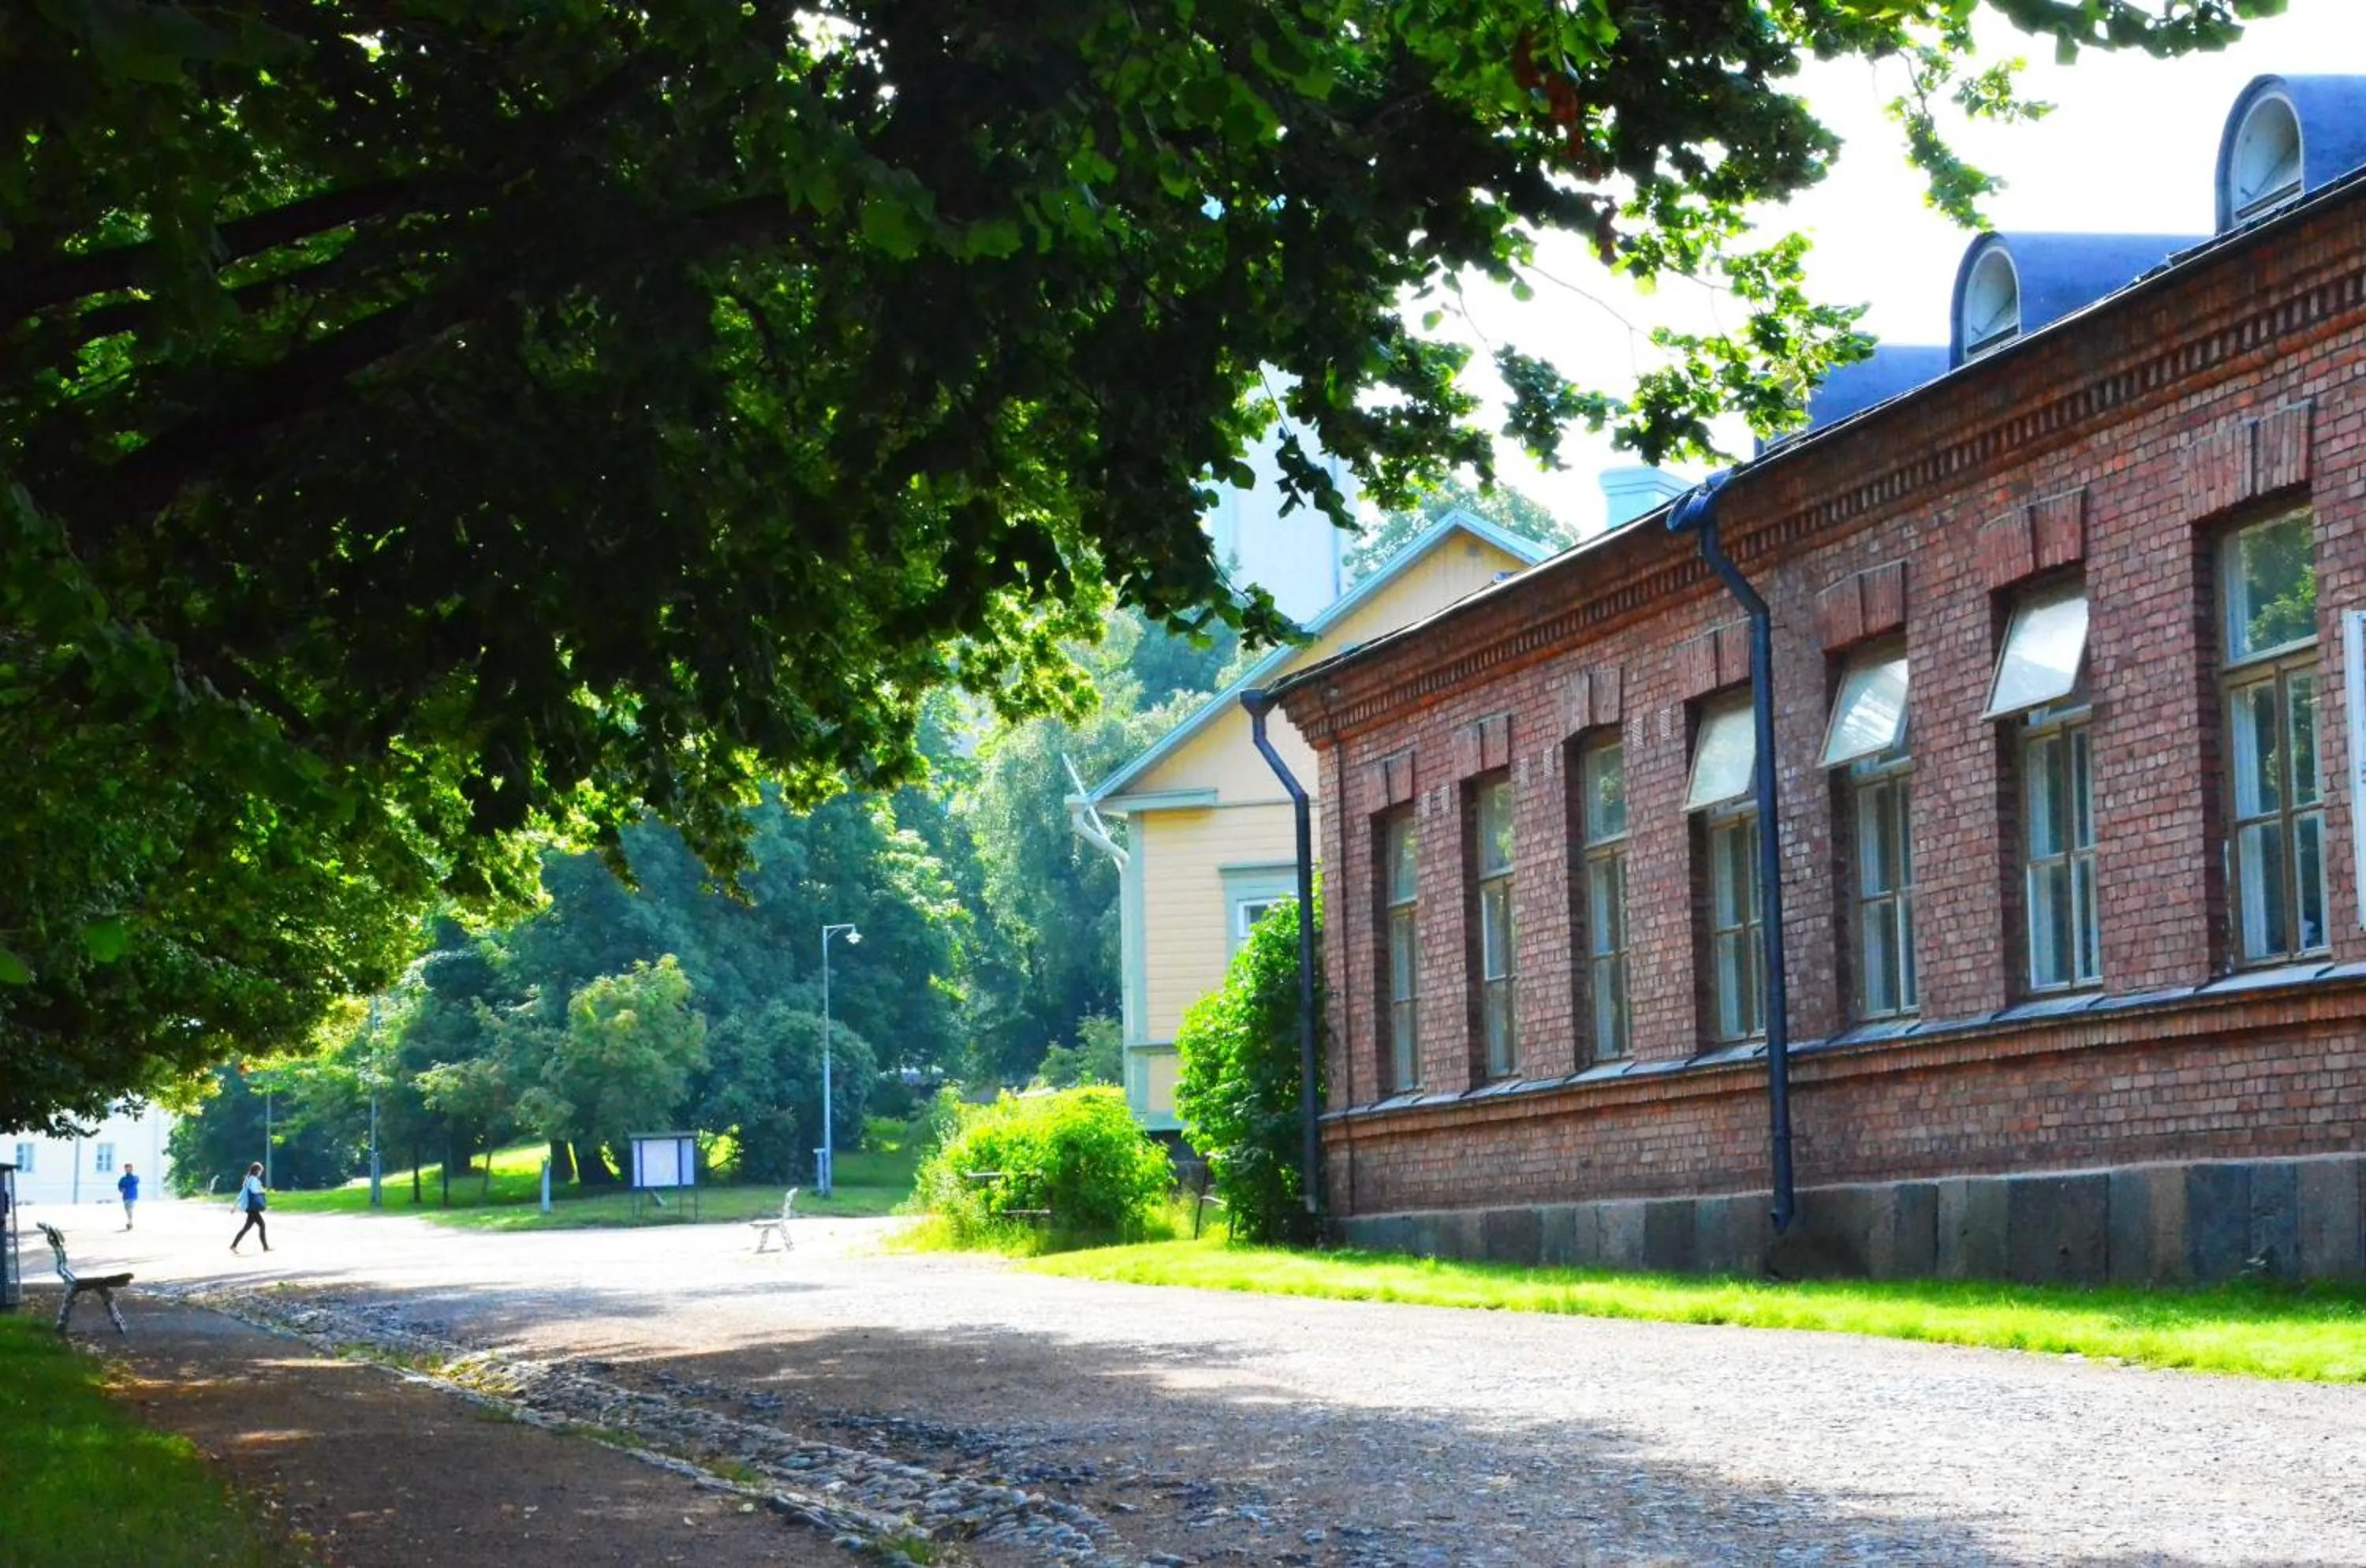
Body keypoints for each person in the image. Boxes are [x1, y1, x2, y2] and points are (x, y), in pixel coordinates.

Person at [230, 1161, 269, 1253]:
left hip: (249, 1207)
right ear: (257, 1171)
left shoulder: (248, 1179)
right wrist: (262, 1191)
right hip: (253, 1207)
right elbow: (254, 1191)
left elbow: (242, 1194)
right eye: (260, 1171)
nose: (261, 1173)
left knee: (247, 1227)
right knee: (262, 1225)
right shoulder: (254, 1180)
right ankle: (265, 1247)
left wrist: (235, 1206)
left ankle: (234, 1245)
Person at [117, 1162, 139, 1230]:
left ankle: (130, 1223)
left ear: (132, 1169)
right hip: (125, 1196)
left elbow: (133, 1182)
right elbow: (120, 1186)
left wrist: (125, 1186)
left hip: (132, 1196)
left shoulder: (135, 1178)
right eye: (126, 1169)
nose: (127, 1170)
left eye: (129, 1168)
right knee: (127, 1210)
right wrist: (121, 1189)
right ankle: (130, 1222)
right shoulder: (123, 1179)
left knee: (130, 1209)